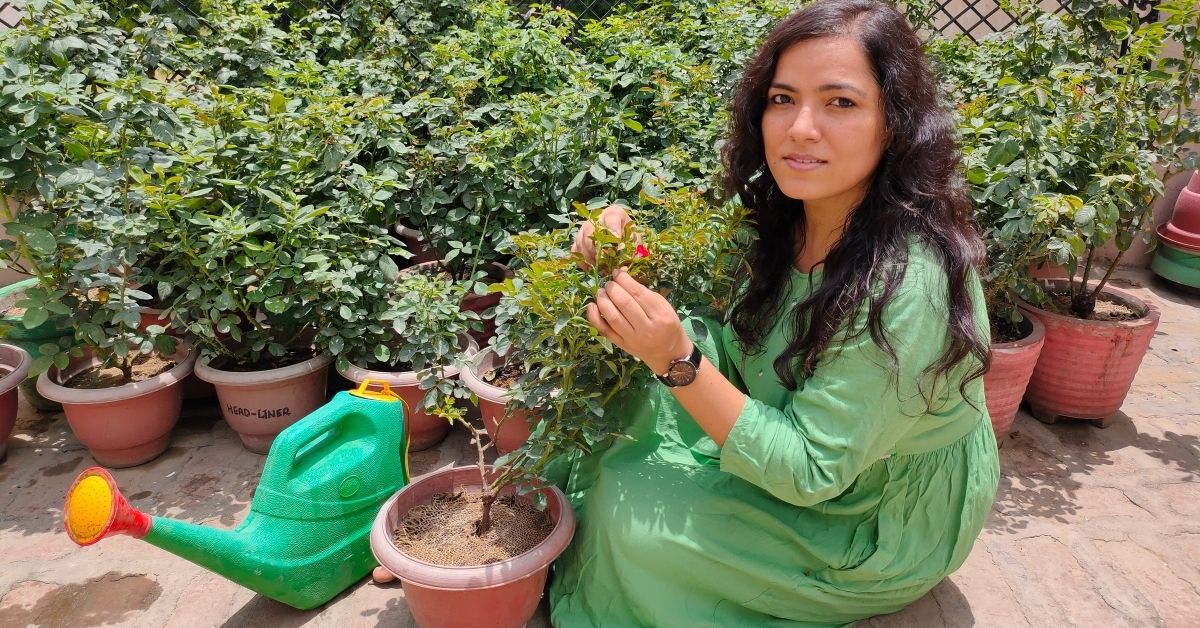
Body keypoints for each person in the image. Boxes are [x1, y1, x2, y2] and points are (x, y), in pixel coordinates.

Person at [549, 0, 1000, 625]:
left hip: (867, 511)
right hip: (787, 421)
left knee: (635, 521)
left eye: (840, 103)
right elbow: (699, 285)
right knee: (616, 416)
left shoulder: (905, 286)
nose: (800, 128)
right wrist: (619, 237)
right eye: (782, 99)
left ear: (893, 124)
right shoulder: (791, 206)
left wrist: (676, 361)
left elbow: (813, 468)